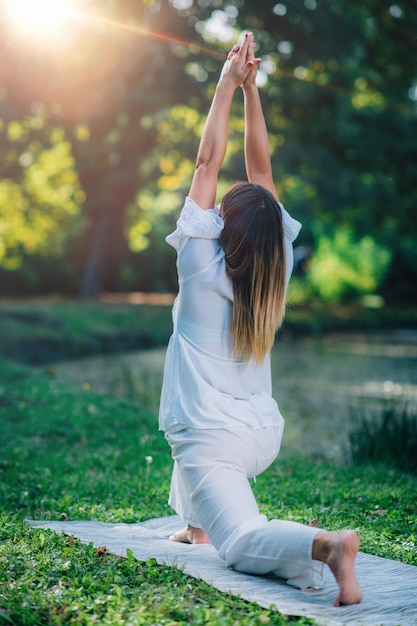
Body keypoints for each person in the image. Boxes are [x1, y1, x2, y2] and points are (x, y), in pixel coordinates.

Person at [158, 32, 363, 607]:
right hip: (260, 434)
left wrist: (227, 82)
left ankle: (329, 547)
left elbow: (208, 161)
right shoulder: (276, 274)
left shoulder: (199, 266)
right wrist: (255, 92)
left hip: (216, 438)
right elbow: (262, 175)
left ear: (222, 226)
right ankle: (196, 520)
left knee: (240, 536)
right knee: (194, 432)